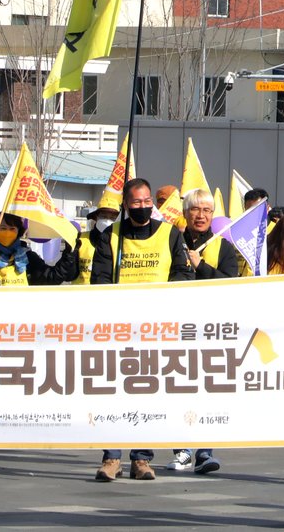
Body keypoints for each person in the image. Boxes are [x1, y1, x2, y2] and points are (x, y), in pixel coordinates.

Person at [90, 177, 194, 481]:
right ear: (125, 205)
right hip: (118, 327)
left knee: (147, 393)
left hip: (157, 328)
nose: (143, 207)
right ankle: (112, 458)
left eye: (148, 201)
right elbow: (100, 279)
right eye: (136, 202)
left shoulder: (170, 234)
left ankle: (142, 459)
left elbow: (183, 273)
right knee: (113, 393)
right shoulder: (111, 236)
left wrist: (161, 298)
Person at [173, 188, 233, 474]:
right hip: (177, 325)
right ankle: (181, 448)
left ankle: (205, 451)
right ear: (185, 213)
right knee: (177, 386)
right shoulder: (173, 240)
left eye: (207, 210)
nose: (201, 215)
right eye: (195, 210)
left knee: (209, 388)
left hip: (212, 327)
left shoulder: (223, 245)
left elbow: (231, 284)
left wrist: (202, 267)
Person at [0, 212, 78, 286]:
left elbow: (51, 278)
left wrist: (69, 254)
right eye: (3, 228)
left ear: (19, 231)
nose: (7, 233)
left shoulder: (28, 257)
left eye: (12, 229)